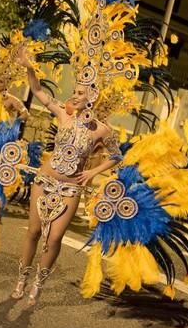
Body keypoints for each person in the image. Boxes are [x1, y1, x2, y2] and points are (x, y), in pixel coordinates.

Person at [10, 47, 122, 306]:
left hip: (70, 189)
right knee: (34, 231)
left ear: (92, 95)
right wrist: (29, 67)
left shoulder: (101, 130)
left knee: (55, 238)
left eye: (81, 92)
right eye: (75, 90)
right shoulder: (63, 114)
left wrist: (93, 172)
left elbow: (117, 156)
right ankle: (21, 279)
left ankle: (38, 282)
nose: (75, 95)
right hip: (45, 179)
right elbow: (38, 92)